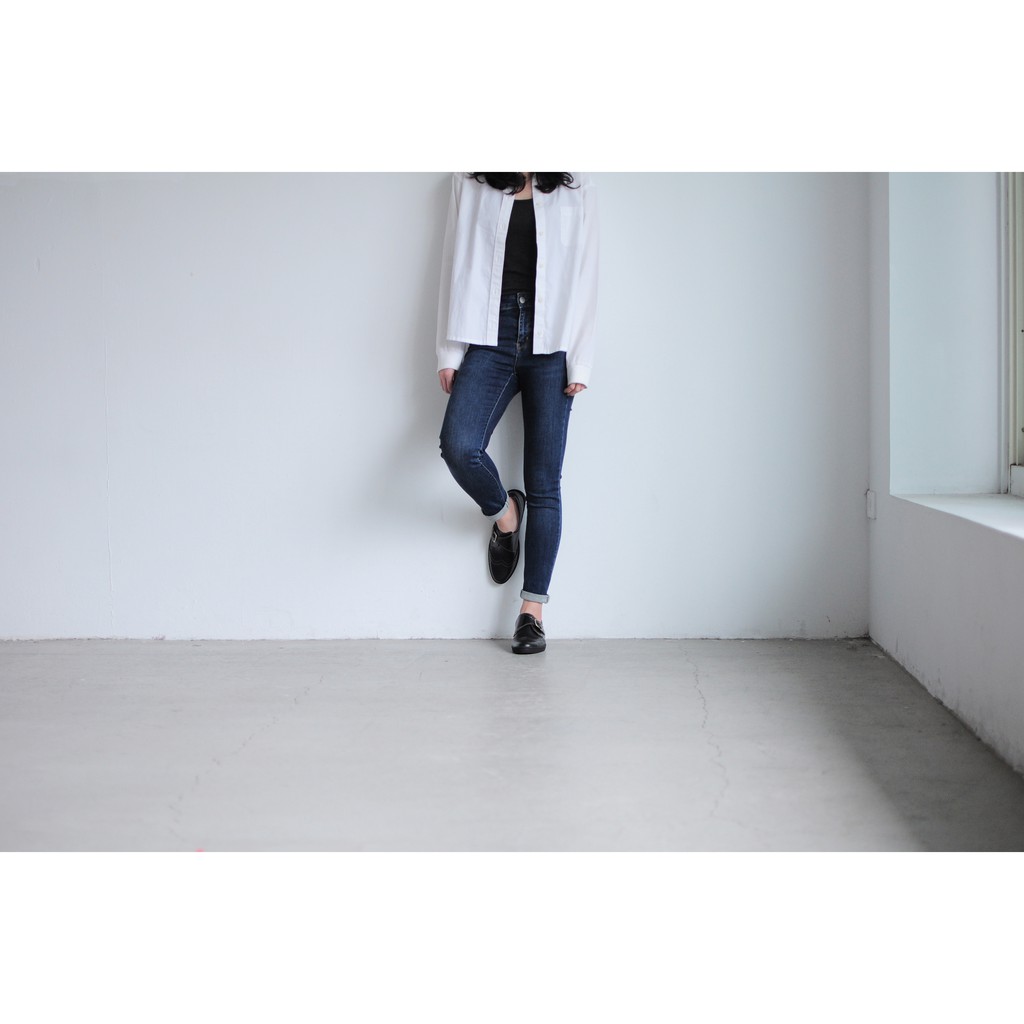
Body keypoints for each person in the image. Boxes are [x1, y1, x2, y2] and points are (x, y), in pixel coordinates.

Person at [436, 171, 599, 654]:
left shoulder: (576, 185)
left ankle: (532, 613)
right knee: (459, 446)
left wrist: (581, 360)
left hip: (554, 342)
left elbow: (587, 273)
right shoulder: (471, 180)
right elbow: (453, 263)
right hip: (490, 335)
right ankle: (507, 515)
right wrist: (449, 352)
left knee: (545, 482)